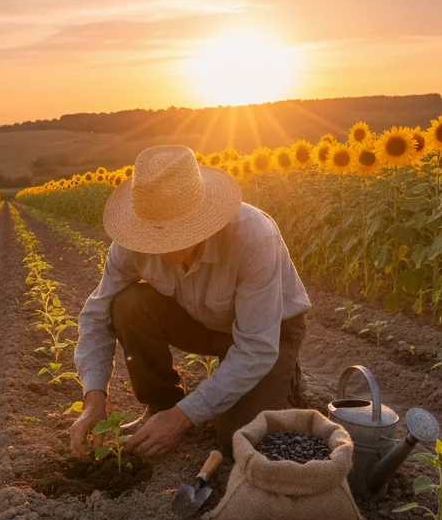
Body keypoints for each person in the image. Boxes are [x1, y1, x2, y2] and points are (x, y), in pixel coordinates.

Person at [68, 145, 311, 461]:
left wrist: (183, 418)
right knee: (128, 304)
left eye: (178, 233)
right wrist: (94, 400)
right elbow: (96, 315)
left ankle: (286, 376)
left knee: (237, 439)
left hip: (271, 332)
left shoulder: (253, 239)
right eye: (154, 234)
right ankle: (161, 404)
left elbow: (256, 347)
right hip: (204, 321)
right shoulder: (130, 244)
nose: (164, 245)